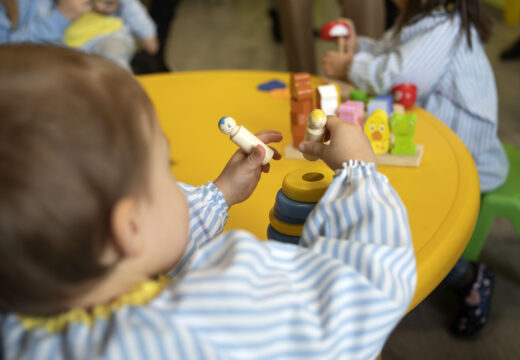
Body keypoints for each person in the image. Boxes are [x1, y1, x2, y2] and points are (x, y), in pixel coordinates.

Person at [0, 44, 416, 359]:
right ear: (128, 227)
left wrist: (220, 193)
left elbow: (155, 244)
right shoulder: (200, 326)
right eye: (167, 166)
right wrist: (359, 171)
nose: (177, 180)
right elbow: (367, 288)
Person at [321, 0, 509, 337]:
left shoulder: (444, 25)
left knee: (413, 227)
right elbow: (390, 49)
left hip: (464, 158)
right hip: (433, 141)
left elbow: (396, 75)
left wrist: (350, 65)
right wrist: (360, 46)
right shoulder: (426, 17)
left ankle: (470, 277)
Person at [0, 0, 158, 72]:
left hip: (106, 35)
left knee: (115, 67)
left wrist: (147, 33)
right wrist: (62, 15)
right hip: (64, 50)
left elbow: (129, 6)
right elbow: (8, 55)